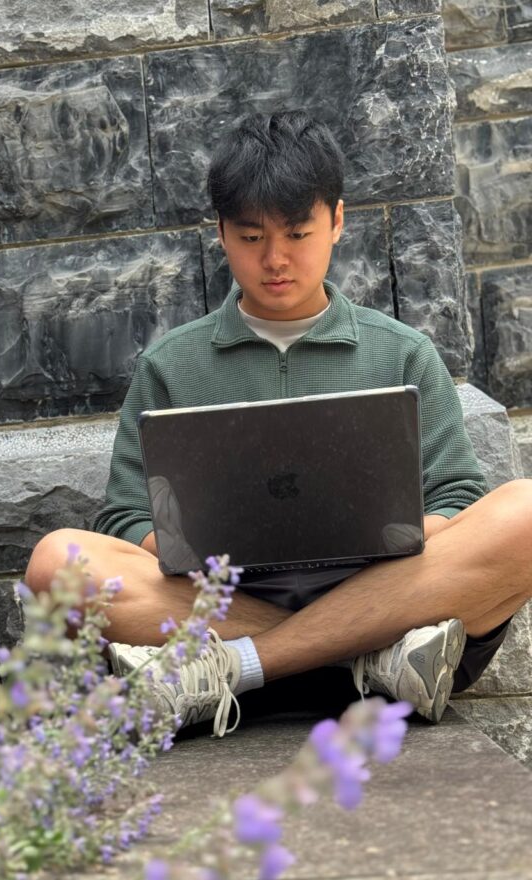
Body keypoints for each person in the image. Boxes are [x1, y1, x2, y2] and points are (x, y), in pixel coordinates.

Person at [26, 111, 532, 737]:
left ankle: (240, 667)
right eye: (250, 237)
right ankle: (361, 661)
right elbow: (126, 520)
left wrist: (388, 534)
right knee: (58, 562)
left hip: (372, 597)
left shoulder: (401, 353)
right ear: (220, 233)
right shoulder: (172, 364)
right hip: (239, 606)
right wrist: (195, 543)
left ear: (338, 221)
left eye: (297, 233)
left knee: (526, 513)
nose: (275, 260)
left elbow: (458, 497)